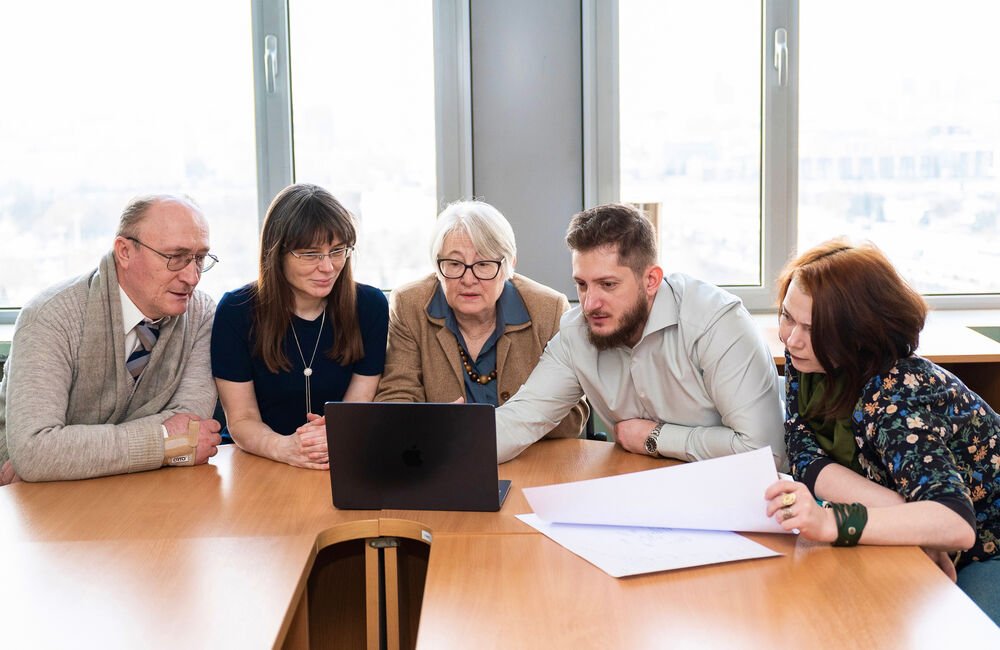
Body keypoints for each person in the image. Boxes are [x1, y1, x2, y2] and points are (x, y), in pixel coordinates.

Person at [764, 238, 1000, 624]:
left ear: (858, 334)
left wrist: (832, 521)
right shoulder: (808, 361)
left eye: (813, 329)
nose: (791, 339)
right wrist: (914, 526)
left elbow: (955, 523)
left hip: (990, 544)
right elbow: (804, 451)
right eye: (787, 317)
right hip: (932, 536)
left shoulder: (894, 394)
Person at [494, 203, 784, 466]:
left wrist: (655, 437)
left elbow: (765, 452)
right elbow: (519, 421)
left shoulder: (716, 323)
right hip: (636, 489)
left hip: (732, 492)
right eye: (582, 285)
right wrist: (465, 447)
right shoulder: (576, 333)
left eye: (608, 284)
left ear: (651, 280)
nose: (590, 304)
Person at [0, 195, 222, 484]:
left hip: (137, 489)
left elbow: (192, 431)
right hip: (24, 494)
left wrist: (68, 455)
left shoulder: (202, 313)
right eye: (175, 258)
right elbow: (35, 451)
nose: (192, 277)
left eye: (199, 259)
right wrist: (165, 441)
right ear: (125, 252)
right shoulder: (49, 316)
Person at [211, 183, 388, 470]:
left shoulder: (370, 306)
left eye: (337, 251)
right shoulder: (236, 310)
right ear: (277, 253)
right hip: (258, 461)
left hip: (338, 455)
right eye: (310, 254)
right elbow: (242, 419)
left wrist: (329, 439)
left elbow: (355, 407)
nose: (328, 267)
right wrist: (285, 448)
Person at [375, 200, 588, 438]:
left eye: (484, 264)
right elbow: (395, 400)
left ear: (508, 265)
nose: (468, 279)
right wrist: (436, 425)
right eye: (454, 264)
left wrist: (489, 427)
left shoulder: (548, 309)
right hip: (442, 451)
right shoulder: (409, 304)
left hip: (530, 455)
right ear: (437, 266)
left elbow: (573, 417)